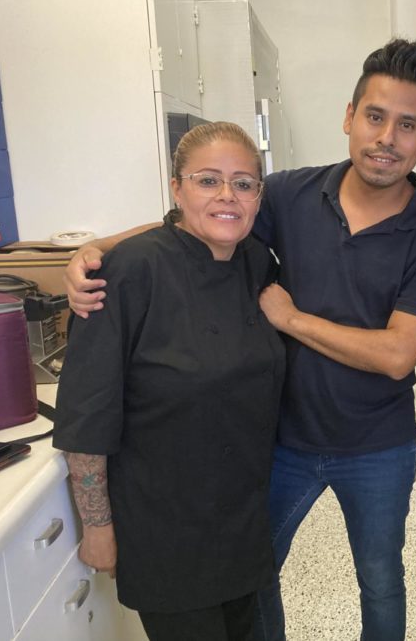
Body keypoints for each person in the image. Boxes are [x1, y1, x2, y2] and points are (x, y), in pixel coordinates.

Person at [62, 39, 416, 641]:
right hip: (283, 440)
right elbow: (211, 211)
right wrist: (98, 250)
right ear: (349, 116)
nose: (387, 137)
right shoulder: (293, 193)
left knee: (380, 580)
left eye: (407, 125)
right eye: (375, 117)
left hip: (377, 444)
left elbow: (397, 354)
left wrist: (293, 319)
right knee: (258, 575)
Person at [53, 122, 286, 641]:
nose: (228, 195)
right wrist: (97, 526)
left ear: (258, 197)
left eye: (244, 183)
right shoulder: (127, 272)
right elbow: (87, 409)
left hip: (242, 523)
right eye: (208, 181)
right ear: (177, 189)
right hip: (164, 532)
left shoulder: (256, 264)